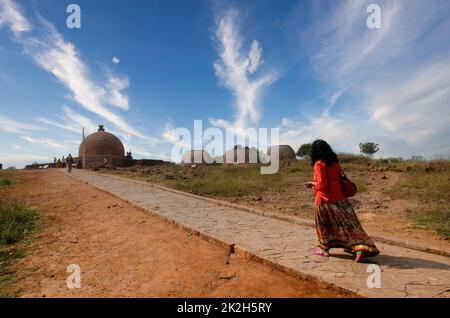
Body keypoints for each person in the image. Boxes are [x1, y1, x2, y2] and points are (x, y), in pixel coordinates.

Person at [304, 140, 379, 262]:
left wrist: (311, 184)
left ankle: (324, 249)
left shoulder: (319, 165)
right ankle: (359, 247)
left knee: (324, 225)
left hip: (325, 201)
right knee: (349, 225)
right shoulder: (335, 164)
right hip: (341, 199)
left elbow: (322, 185)